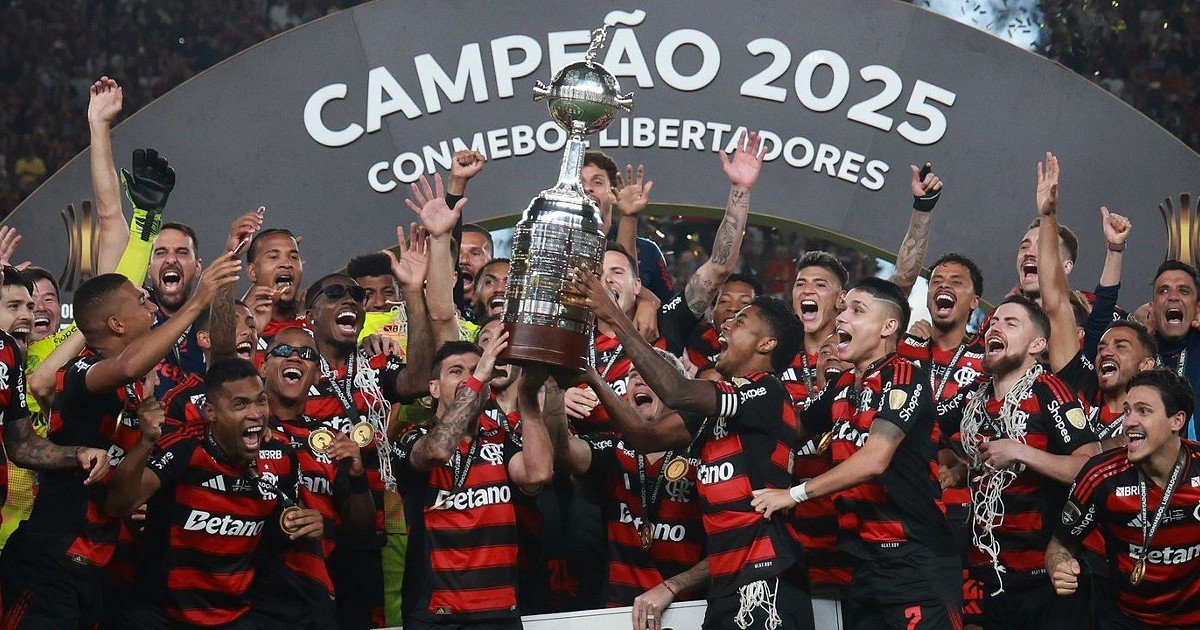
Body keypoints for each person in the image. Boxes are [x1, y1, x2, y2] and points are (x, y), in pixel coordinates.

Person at [0, 246, 239, 627]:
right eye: (139, 300)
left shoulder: (138, 396)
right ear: (116, 323)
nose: (149, 301)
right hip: (47, 566)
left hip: (95, 571)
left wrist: (146, 441)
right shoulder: (81, 372)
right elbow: (128, 364)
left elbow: (117, 506)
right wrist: (196, 303)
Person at [574, 258, 814, 630]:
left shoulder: (767, 392)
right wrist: (592, 375)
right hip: (726, 583)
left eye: (741, 321)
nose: (726, 323)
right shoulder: (720, 410)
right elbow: (645, 437)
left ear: (766, 344)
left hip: (768, 577)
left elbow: (676, 390)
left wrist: (615, 318)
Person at [753, 277, 961, 630]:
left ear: (888, 327)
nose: (841, 317)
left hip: (915, 560)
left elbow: (875, 459)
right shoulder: (842, 384)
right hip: (863, 564)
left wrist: (793, 494)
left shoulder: (904, 375)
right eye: (843, 309)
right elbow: (790, 430)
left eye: (857, 310)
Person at [102, 358, 323, 627]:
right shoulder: (183, 449)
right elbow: (116, 506)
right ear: (210, 412)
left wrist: (304, 526)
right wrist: (146, 440)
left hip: (237, 615)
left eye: (260, 401)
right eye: (240, 404)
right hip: (163, 614)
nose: (256, 413)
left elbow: (280, 533)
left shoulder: (281, 457)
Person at [948, 295, 1100, 628]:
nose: (994, 327)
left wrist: (1021, 452)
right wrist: (958, 469)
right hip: (987, 571)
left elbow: (1090, 465)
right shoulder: (973, 396)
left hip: (1044, 577)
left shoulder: (1049, 390)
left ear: (1037, 345)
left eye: (1010, 323)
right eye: (993, 322)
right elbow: (927, 423)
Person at [394, 337, 553, 629]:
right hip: (436, 614)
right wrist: (478, 378)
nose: (468, 378)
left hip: (500, 611)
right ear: (434, 388)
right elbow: (438, 450)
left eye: (476, 370)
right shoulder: (412, 437)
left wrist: (529, 401)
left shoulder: (499, 437)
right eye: (456, 371)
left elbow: (538, 473)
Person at [551, 350, 706, 613]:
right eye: (632, 376)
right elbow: (565, 452)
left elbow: (732, 544)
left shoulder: (704, 453)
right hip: (619, 610)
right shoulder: (615, 447)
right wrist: (553, 392)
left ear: (677, 392)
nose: (639, 380)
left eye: (650, 373)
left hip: (690, 609)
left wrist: (673, 586)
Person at [1047, 369, 1200, 629]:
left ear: (1177, 421)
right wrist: (1059, 566)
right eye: (1127, 411)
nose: (1128, 422)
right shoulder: (1100, 475)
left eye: (1143, 411)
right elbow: (1060, 545)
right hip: (1125, 619)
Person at [249, 327, 375, 628]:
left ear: (317, 375)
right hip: (247, 588)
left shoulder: (330, 442)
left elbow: (362, 533)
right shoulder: (244, 434)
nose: (295, 357)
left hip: (313, 590)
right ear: (263, 367)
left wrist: (357, 477)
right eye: (283, 351)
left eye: (307, 354)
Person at [582, 151, 674, 301]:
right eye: (580, 183)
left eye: (597, 182)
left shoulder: (647, 251)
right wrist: (646, 301)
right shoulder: (555, 246)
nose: (587, 188)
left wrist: (648, 304)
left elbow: (668, 308)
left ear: (613, 194)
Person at [1146, 260, 1200, 439]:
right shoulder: (1138, 355)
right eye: (1163, 290)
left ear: (1197, 307)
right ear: (1152, 309)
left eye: (1183, 291)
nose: (1173, 297)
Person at [245, 227, 306, 349]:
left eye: (294, 257)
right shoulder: (238, 331)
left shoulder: (319, 325)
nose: (287, 263)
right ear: (252, 272)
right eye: (273, 257)